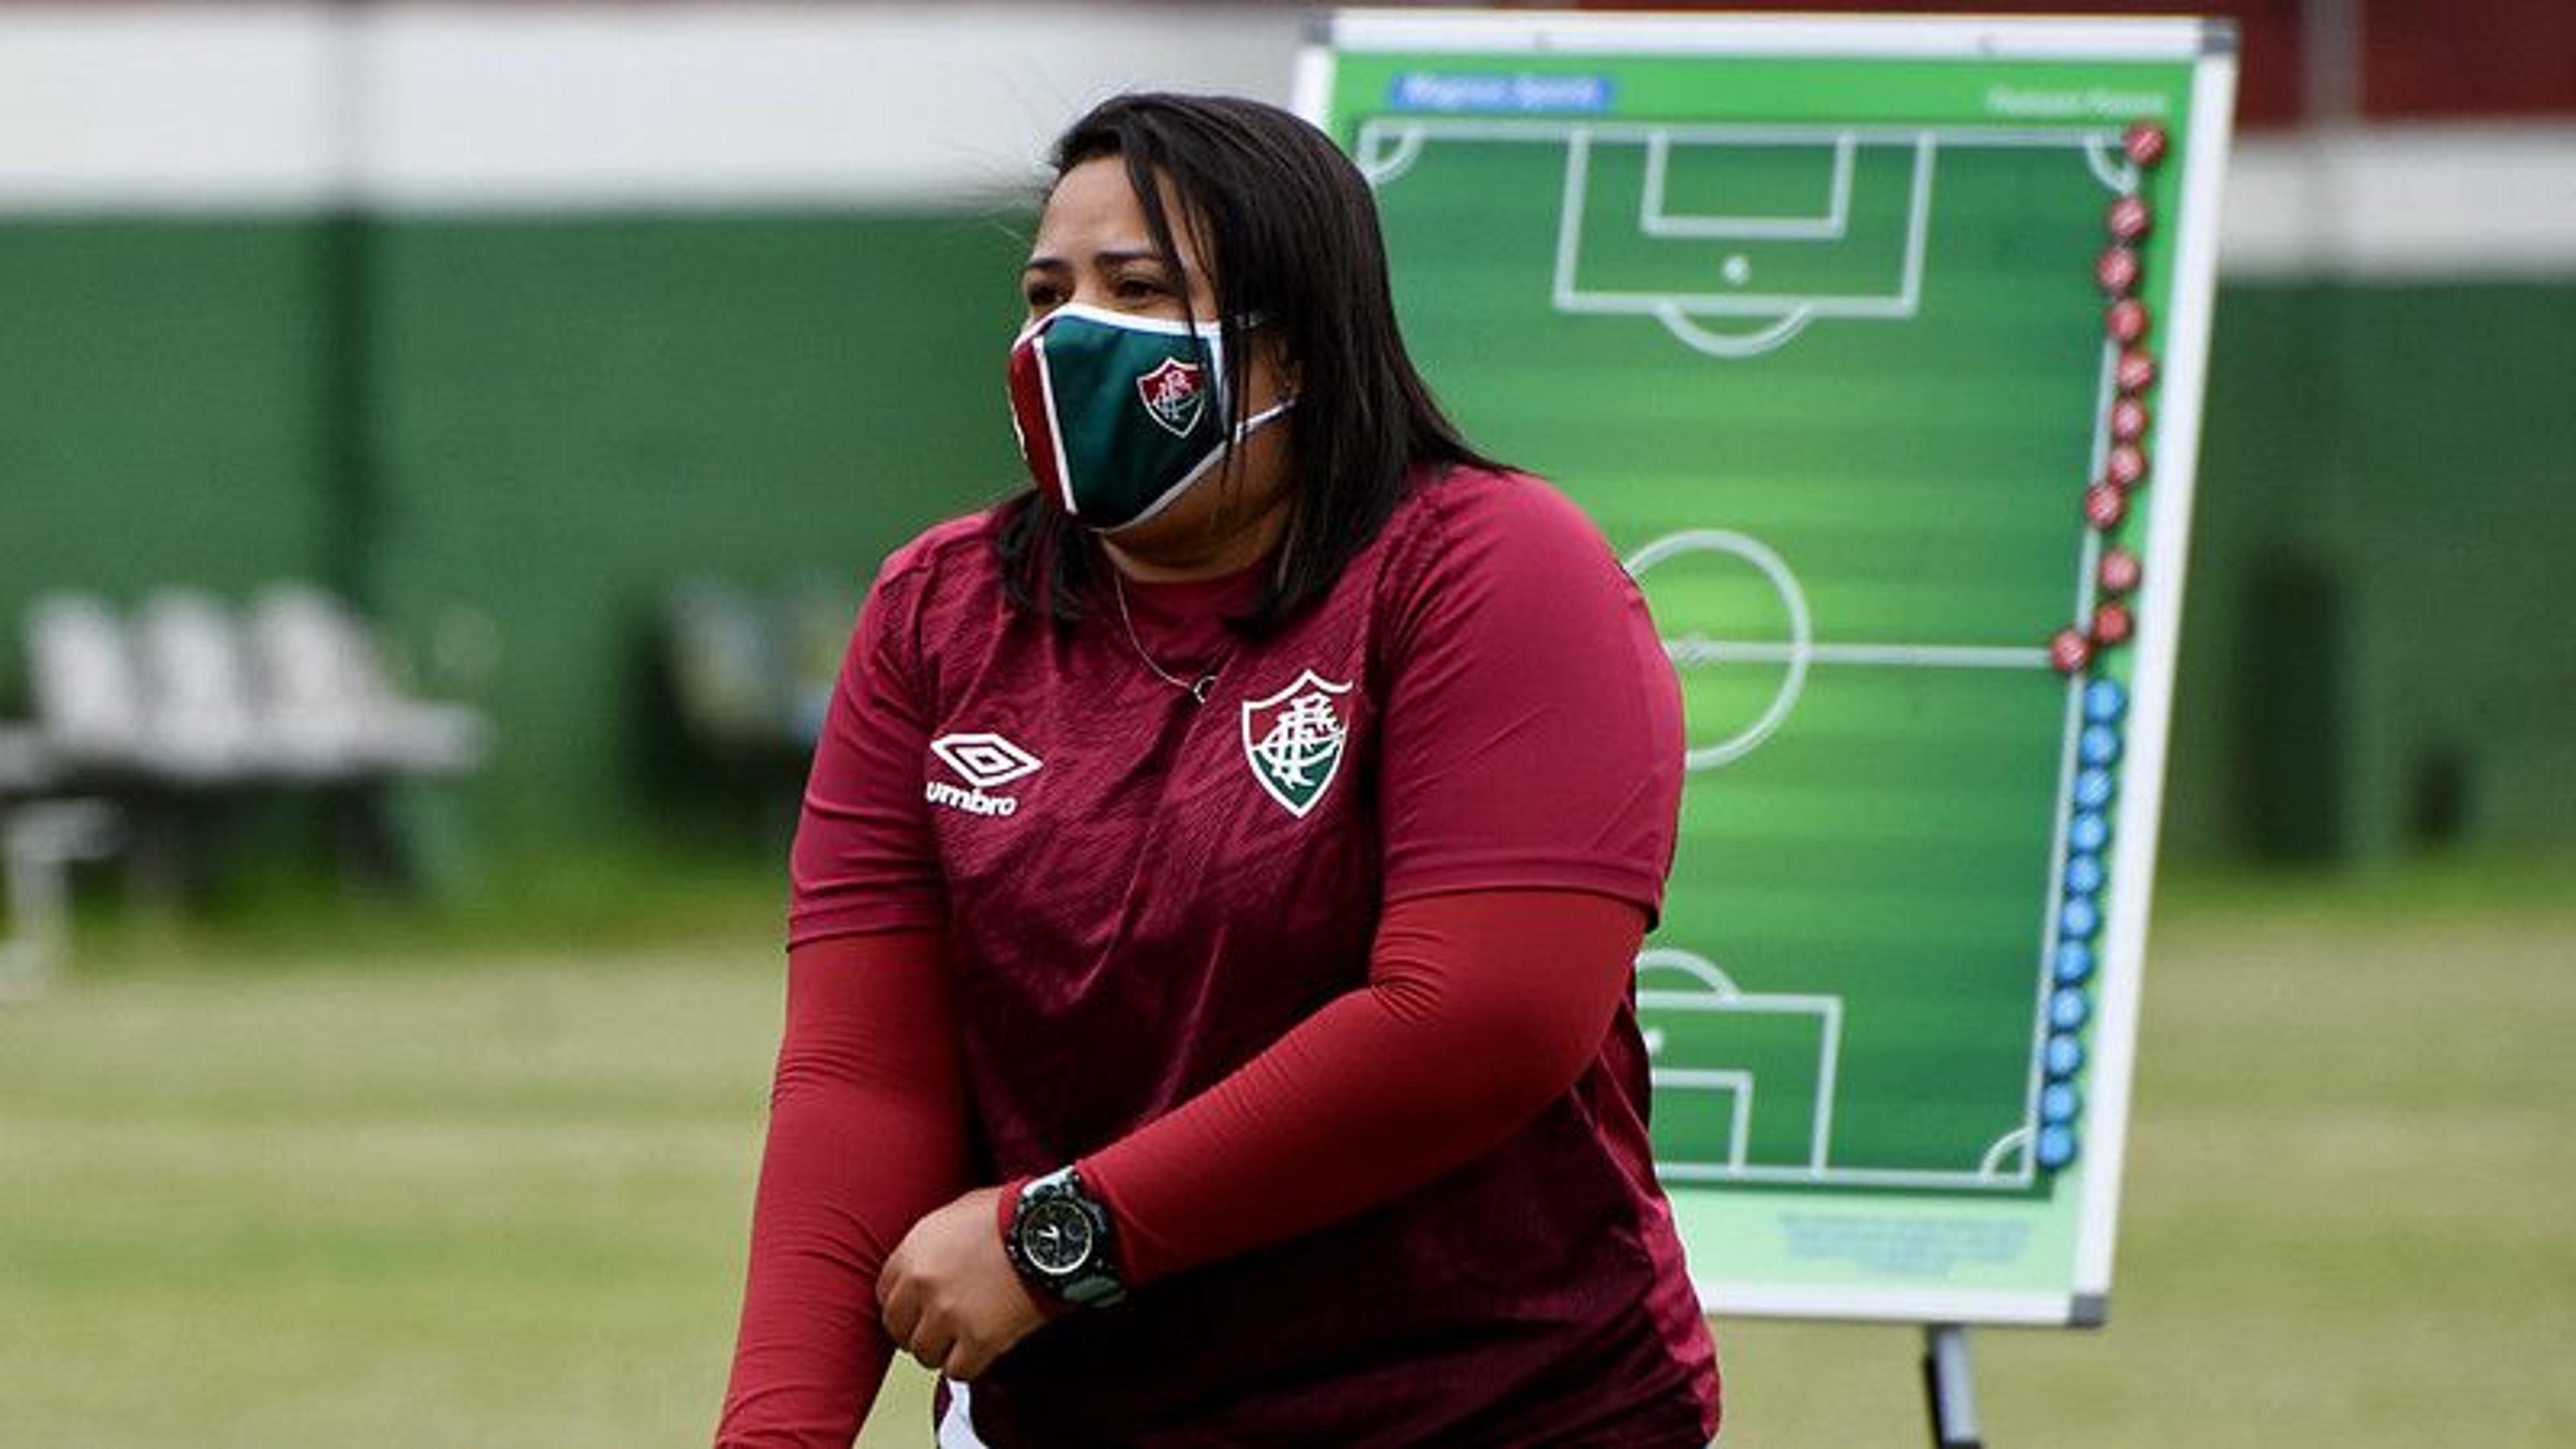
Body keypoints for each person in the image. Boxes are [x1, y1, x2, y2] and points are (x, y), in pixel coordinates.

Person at [715, 92, 1720, 1448]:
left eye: (1136, 288)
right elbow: (864, 1075)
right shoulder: (940, 613)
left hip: (1490, 1408)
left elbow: (1482, 1019)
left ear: (1298, 338)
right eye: (1044, 291)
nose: (1069, 332)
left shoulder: (1489, 569)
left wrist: (1057, 1240)